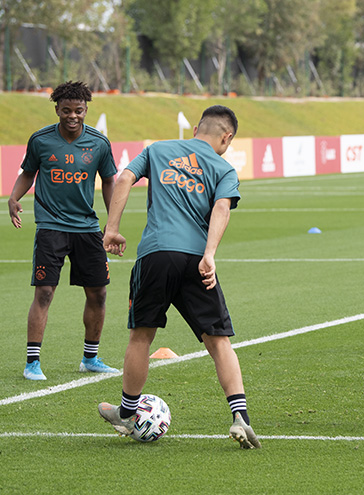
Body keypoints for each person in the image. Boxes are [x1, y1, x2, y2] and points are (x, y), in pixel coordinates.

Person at [98, 105, 260, 449]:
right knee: (218, 341)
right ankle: (240, 418)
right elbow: (221, 208)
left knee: (141, 337)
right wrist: (209, 254)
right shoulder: (224, 168)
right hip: (196, 259)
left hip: (156, 254)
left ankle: (126, 413)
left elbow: (123, 178)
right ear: (227, 137)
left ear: (197, 128)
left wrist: (111, 229)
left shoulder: (158, 149)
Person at [7, 81, 119, 381]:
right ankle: (32, 363)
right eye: (66, 110)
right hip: (51, 227)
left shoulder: (99, 143)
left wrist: (112, 223)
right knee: (44, 292)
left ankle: (90, 358)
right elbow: (28, 172)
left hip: (87, 228)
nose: (73, 116)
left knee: (98, 293)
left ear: (86, 110)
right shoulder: (40, 140)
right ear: (57, 109)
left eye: (78, 110)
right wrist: (14, 197)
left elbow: (109, 180)